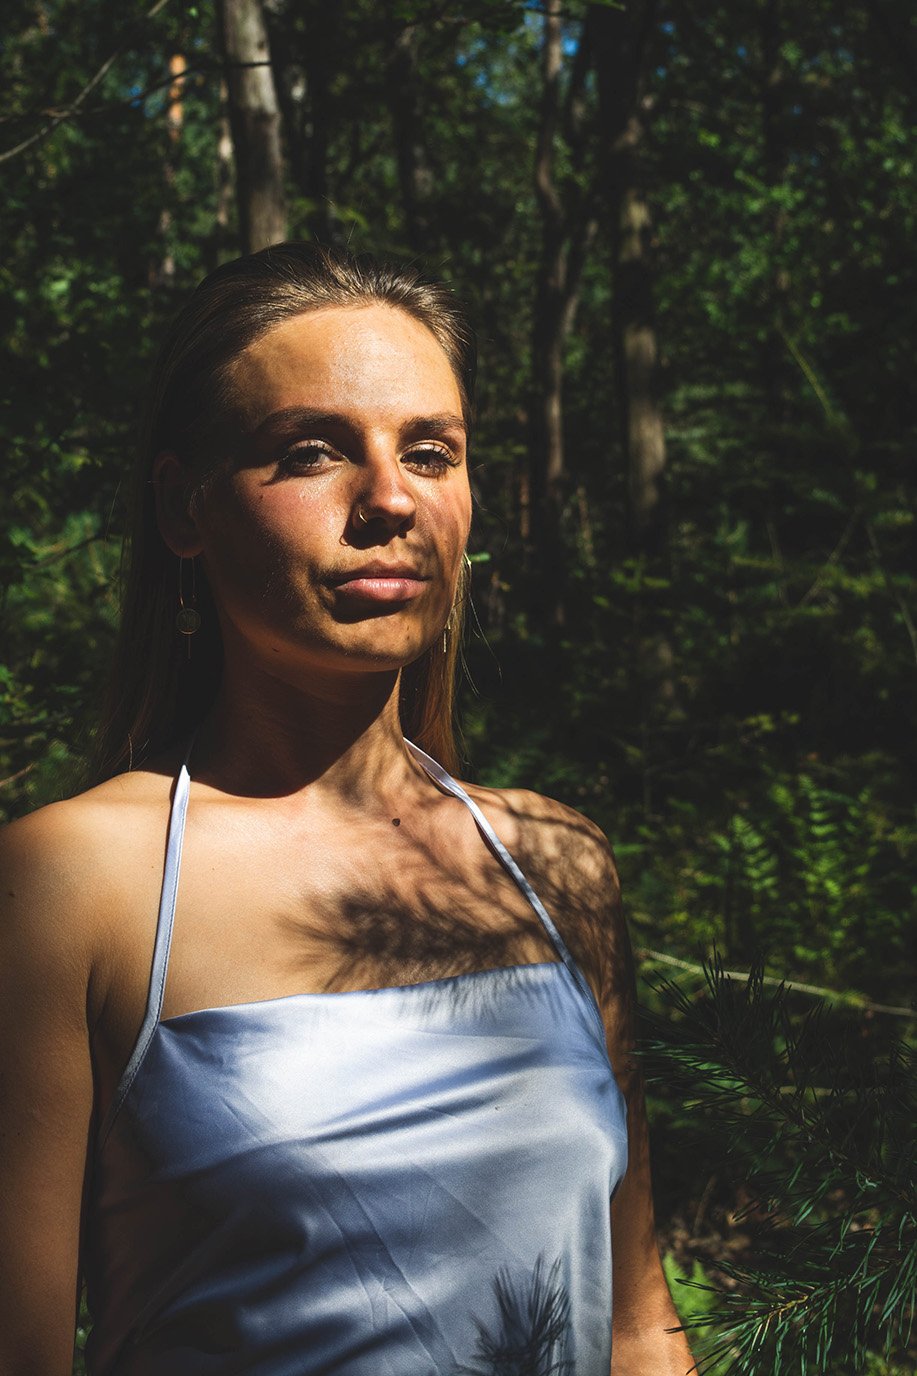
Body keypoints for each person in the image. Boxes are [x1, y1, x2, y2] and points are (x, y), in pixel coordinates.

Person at [0, 244, 694, 1376]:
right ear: (184, 507)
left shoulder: (556, 862)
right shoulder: (70, 883)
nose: (389, 498)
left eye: (431, 451)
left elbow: (635, 1321)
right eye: (311, 451)